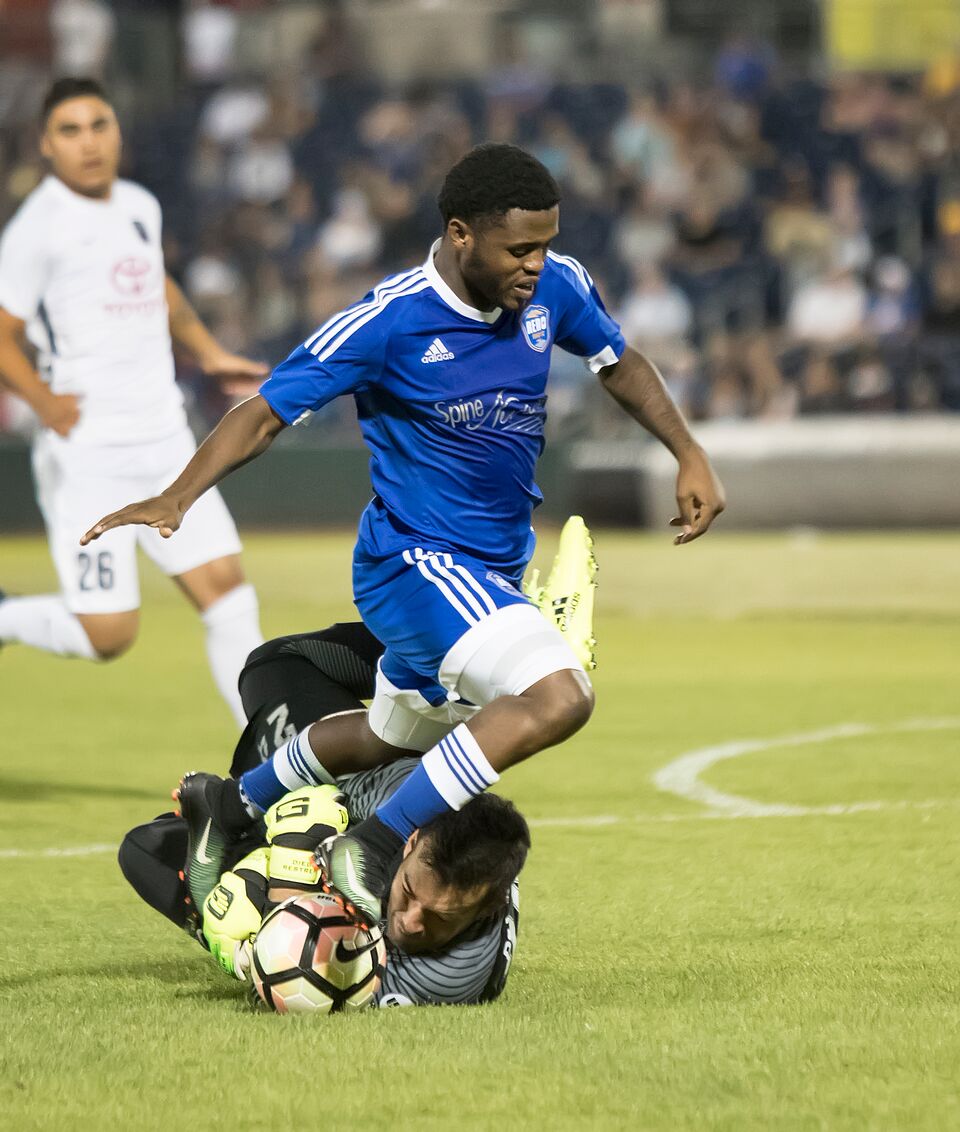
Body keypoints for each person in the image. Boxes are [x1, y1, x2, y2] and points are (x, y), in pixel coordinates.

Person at [83, 142, 725, 923]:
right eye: (518, 248)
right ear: (461, 234)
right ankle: (376, 844)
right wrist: (177, 496)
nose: (536, 263)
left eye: (545, 244)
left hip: (491, 569)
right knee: (558, 697)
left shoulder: (557, 285)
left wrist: (688, 450)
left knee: (388, 738)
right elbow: (266, 411)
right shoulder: (388, 320)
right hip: (415, 565)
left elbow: (616, 361)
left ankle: (232, 800)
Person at [0, 77, 265, 725]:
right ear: (46, 144)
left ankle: (272, 758)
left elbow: (157, 285)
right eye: (70, 130)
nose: (88, 143)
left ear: (118, 132)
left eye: (99, 125)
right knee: (109, 634)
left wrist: (208, 352)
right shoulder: (38, 227)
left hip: (166, 440)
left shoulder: (139, 205)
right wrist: (46, 405)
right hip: (89, 453)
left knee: (227, 594)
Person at [119, 620, 530, 1008]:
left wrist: (266, 930)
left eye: (441, 918)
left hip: (328, 875)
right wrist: (243, 803)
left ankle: (234, 901)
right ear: (411, 840)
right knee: (276, 667)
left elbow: (315, 985)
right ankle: (470, 655)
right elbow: (340, 760)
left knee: (146, 849)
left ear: (487, 909)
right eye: (408, 891)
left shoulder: (451, 978)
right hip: (351, 797)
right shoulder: (400, 795)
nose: (409, 921)